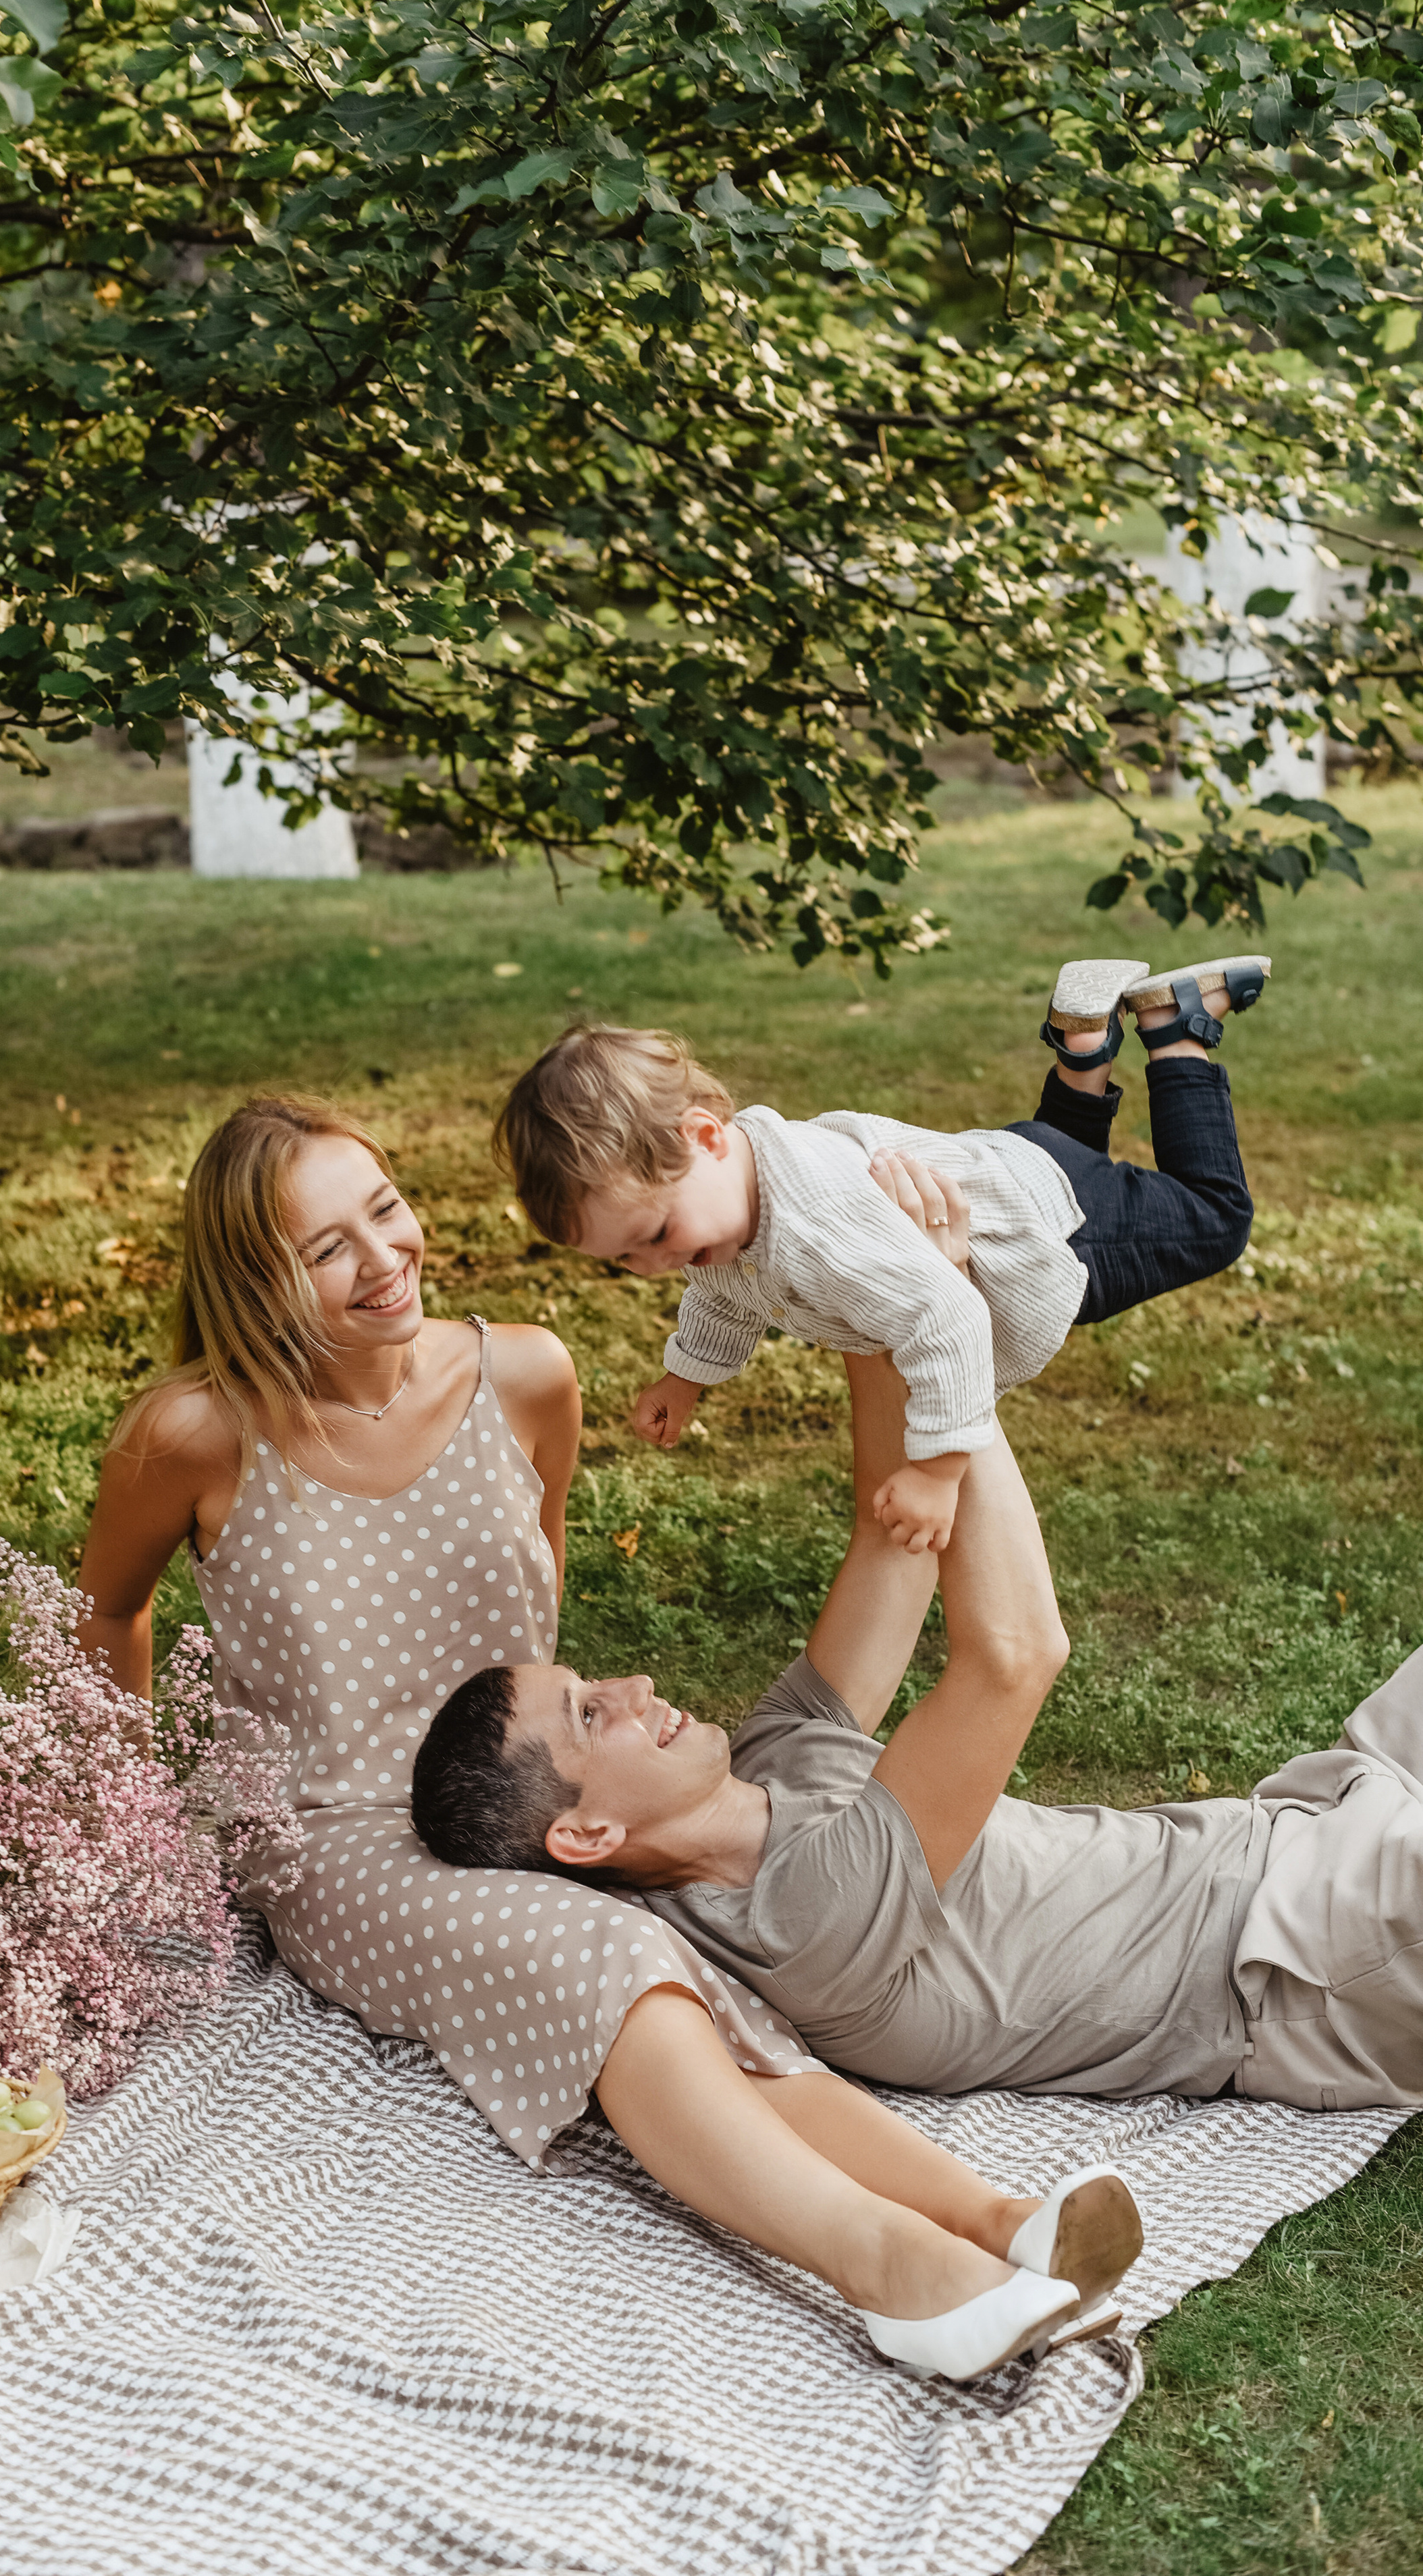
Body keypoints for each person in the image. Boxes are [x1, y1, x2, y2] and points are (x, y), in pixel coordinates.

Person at [76, 1093, 1143, 2383]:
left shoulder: (526, 1373)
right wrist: (123, 1827)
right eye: (326, 1250)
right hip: (343, 1830)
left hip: (533, 1784)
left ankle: (991, 2218)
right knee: (623, 1955)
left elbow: (543, 1589)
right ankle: (895, 2270)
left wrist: (578, 1772)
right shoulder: (190, 1434)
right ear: (256, 1279)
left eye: (388, 1209)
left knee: (713, 1988)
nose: (385, 1258)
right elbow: (112, 1613)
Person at [412, 1187, 1423, 2123]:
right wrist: (945, 1319)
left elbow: (890, 1526)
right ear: (586, 1836)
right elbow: (1017, 1655)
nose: (634, 1687)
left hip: (1314, 1818)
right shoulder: (799, 1924)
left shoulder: (775, 1757)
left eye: (595, 1683)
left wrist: (863, 1269)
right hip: (1313, 1953)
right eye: (592, 1713)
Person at [497, 952, 1268, 1553]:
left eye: (658, 1238)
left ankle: (1174, 1030)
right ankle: (1084, 1045)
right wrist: (687, 1375)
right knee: (1066, 1154)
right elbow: (720, 1292)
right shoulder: (729, 1206)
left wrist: (937, 1471)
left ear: (702, 1136)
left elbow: (950, 1322)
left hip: (1055, 1227)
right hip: (1009, 1165)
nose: (660, 1266)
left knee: (1215, 1218)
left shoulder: (818, 1230)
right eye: (626, 1261)